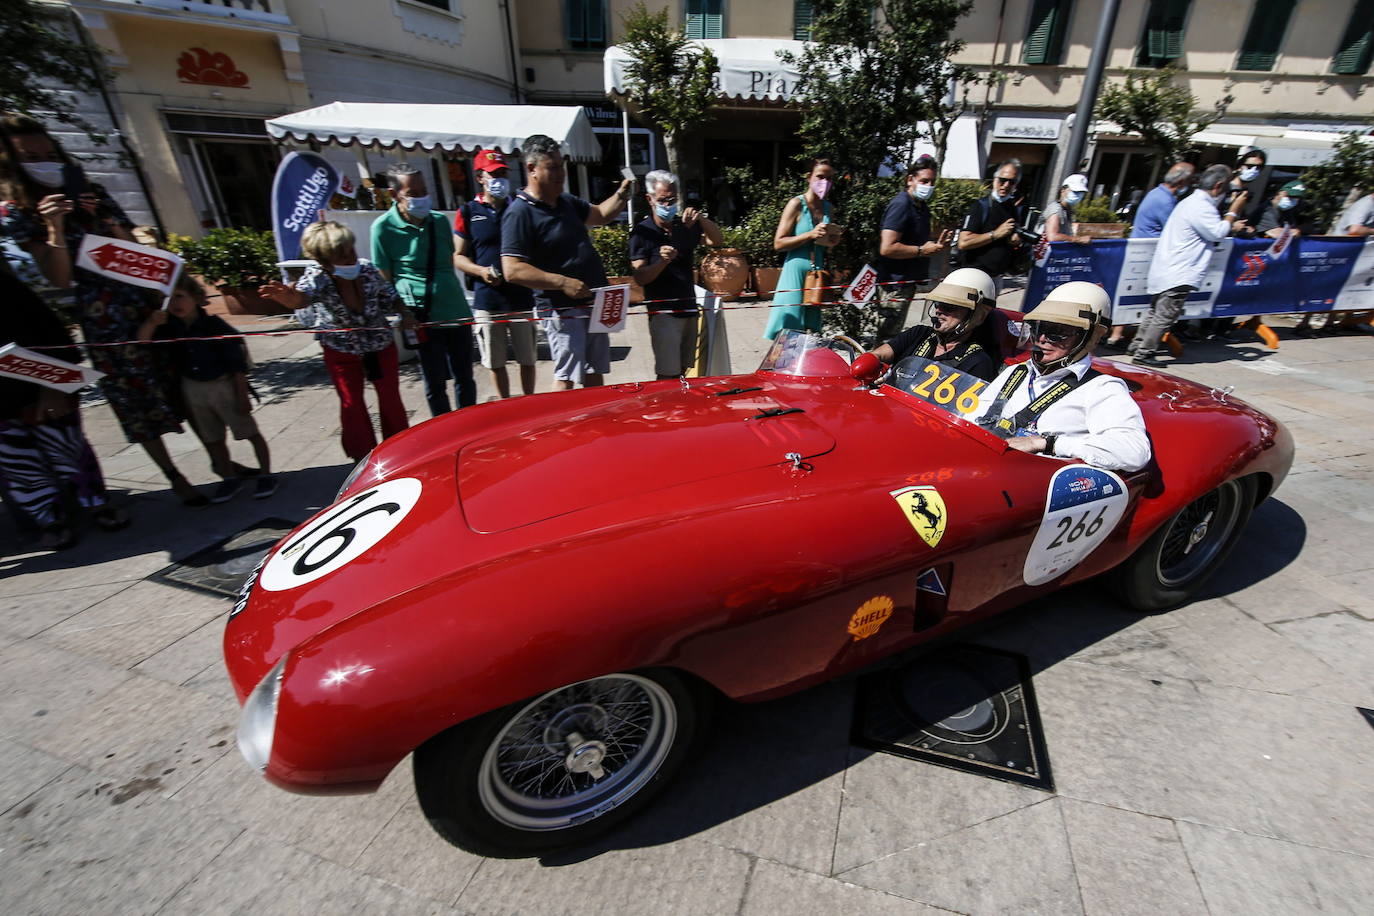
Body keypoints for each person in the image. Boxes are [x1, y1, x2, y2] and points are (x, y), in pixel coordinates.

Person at [0, 113, 205, 506]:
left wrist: (105, 220)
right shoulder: (18, 213)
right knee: (135, 398)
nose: (43, 160)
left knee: (185, 380)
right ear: (12, 162)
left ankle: (222, 463)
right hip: (104, 318)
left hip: (146, 301)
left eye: (48, 151)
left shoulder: (91, 191)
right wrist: (55, 228)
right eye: (31, 155)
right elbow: (59, 278)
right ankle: (174, 476)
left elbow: (134, 251)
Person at [0, 267, 128, 549]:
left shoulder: (6, 287)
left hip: (39, 387)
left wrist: (53, 386)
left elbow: (48, 331)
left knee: (70, 451)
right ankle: (50, 520)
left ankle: (97, 506)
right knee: (18, 466)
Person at [261, 221, 409, 461]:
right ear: (324, 260)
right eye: (341, 255)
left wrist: (405, 313)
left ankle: (400, 451)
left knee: (390, 398)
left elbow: (391, 295)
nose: (351, 257)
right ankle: (363, 459)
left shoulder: (367, 269)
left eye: (351, 250)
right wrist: (290, 299)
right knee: (352, 405)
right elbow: (302, 299)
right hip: (342, 350)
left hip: (379, 345)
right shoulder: (317, 276)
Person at [966, 281, 1150, 472]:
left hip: (1032, 479)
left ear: (1092, 336)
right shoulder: (1018, 371)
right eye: (1039, 328)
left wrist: (1047, 443)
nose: (1043, 338)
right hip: (985, 463)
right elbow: (973, 416)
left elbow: (1134, 452)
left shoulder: (1101, 388)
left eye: (1059, 331)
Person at [500, 134, 634, 390]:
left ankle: (595, 424)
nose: (561, 173)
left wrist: (622, 193)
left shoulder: (566, 201)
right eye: (552, 167)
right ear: (532, 169)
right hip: (561, 308)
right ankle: (563, 427)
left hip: (593, 300)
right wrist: (562, 282)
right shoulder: (519, 213)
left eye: (561, 165)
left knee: (595, 368)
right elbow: (512, 269)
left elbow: (601, 214)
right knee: (568, 374)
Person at [138, 274, 275, 502]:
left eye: (180, 296)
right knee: (212, 438)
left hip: (223, 384)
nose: (174, 303)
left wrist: (242, 393)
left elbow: (237, 363)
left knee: (248, 432)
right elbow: (142, 342)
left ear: (196, 297)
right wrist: (152, 322)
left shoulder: (214, 325)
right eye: (168, 298)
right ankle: (229, 478)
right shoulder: (169, 329)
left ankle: (267, 474)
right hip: (193, 387)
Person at [371, 163, 474, 417]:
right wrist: (403, 314)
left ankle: (470, 426)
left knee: (465, 376)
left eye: (424, 190)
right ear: (395, 195)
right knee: (435, 382)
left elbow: (449, 262)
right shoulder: (382, 229)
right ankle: (442, 434)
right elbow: (384, 281)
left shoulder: (438, 221)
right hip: (422, 319)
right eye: (414, 192)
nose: (422, 197)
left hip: (456, 311)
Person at [1130, 164, 1248, 367]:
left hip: (1170, 267)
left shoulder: (1189, 202)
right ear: (1219, 186)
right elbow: (1218, 232)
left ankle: (1138, 345)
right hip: (1180, 270)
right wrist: (1233, 212)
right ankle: (1144, 352)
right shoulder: (1201, 206)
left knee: (1156, 311)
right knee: (1164, 315)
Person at [453, 149, 537, 399]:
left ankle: (529, 404)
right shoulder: (467, 212)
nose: (499, 178)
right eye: (493, 174)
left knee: (528, 358)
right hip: (487, 299)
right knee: (495, 361)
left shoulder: (521, 207)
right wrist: (481, 271)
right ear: (480, 177)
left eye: (502, 173)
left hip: (521, 296)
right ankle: (505, 404)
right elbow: (458, 256)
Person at [629, 168, 723, 379]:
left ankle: (680, 410)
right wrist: (661, 262)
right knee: (667, 375)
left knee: (683, 371)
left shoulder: (684, 225)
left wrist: (701, 220)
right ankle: (666, 410)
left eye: (672, 199)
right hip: (663, 313)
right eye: (662, 200)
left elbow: (717, 241)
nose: (668, 205)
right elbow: (640, 277)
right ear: (649, 199)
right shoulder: (642, 232)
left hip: (688, 308)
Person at [866, 268, 1000, 381]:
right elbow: (880, 354)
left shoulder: (977, 362)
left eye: (949, 306)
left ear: (980, 315)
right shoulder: (919, 334)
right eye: (938, 303)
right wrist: (872, 364)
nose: (939, 310)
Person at [873, 155, 953, 341]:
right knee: (887, 338)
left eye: (932, 182)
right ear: (910, 179)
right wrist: (921, 250)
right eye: (924, 181)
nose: (929, 186)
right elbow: (887, 247)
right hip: (894, 284)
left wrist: (936, 246)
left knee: (893, 336)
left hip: (906, 283)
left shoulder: (921, 207)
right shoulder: (901, 205)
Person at [763, 157, 844, 340]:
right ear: (809, 177)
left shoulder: (828, 208)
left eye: (829, 178)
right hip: (795, 271)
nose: (825, 182)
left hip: (817, 273)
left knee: (811, 334)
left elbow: (825, 244)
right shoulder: (796, 204)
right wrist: (809, 235)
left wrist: (832, 241)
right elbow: (778, 243)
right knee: (788, 331)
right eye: (820, 176)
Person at [956, 159, 1026, 293]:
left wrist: (1014, 242)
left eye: (1011, 182)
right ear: (994, 179)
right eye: (1002, 180)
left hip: (996, 279)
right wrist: (995, 234)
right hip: (974, 276)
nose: (1005, 185)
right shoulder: (980, 206)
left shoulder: (1013, 209)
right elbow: (964, 242)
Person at [1224, 148, 1270, 238]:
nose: (1254, 170)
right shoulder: (1225, 188)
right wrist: (1232, 225)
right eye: (1249, 166)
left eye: (1258, 167)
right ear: (1239, 167)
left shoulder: (1247, 193)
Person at [1041, 173, 1093, 245]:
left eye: (1081, 193)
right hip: (1044, 254)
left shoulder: (1068, 210)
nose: (1078, 195)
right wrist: (1078, 239)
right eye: (1074, 191)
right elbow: (1052, 237)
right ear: (1063, 190)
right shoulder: (1055, 209)